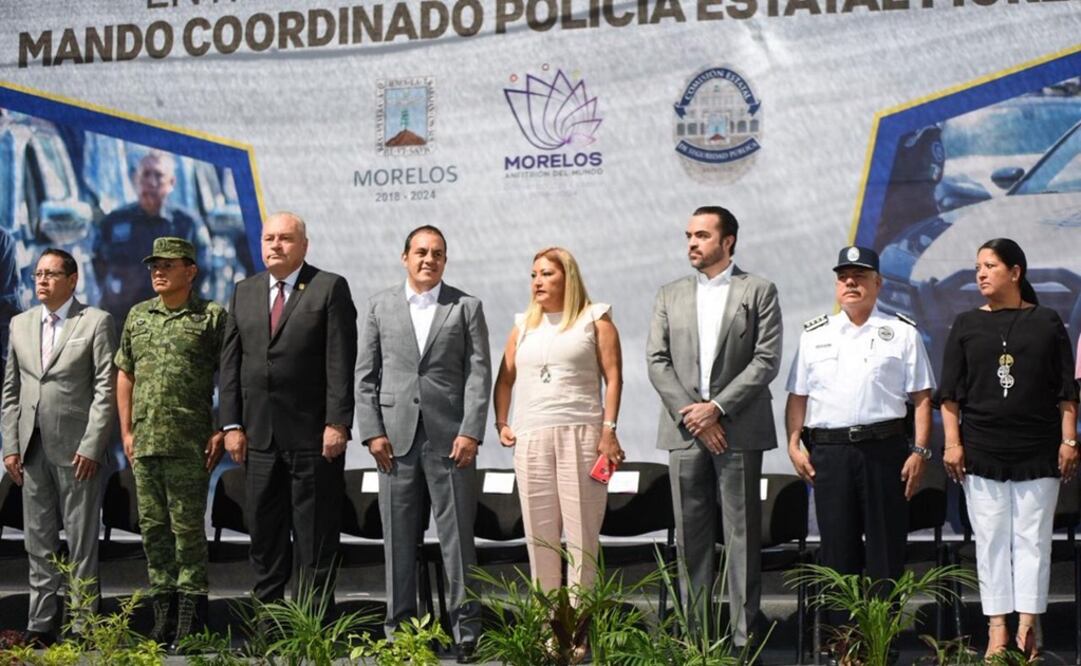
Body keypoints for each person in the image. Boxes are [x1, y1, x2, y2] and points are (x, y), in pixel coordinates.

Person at [646, 206, 782, 648]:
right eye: (688, 235)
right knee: (691, 542)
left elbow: (766, 360)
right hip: (685, 432)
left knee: (741, 540)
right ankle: (697, 641)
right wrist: (695, 413)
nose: (692, 243)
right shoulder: (669, 294)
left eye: (702, 235)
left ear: (728, 242)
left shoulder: (758, 289)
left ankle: (745, 642)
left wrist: (718, 408)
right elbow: (656, 360)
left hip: (738, 429)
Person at [938, 238, 1078, 659]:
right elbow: (950, 396)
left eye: (990, 266)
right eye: (977, 266)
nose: (980, 273)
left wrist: (1069, 440)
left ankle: (1029, 627)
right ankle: (997, 627)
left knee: (1033, 540)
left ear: (1015, 272)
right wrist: (952, 444)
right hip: (981, 449)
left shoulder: (1048, 322)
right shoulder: (965, 324)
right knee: (991, 539)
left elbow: (1067, 391)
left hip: (1038, 449)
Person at [356, 225, 490, 664]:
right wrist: (372, 431)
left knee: (458, 542)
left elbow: (478, 375)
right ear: (405, 257)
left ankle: (466, 631)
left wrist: (471, 431)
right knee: (397, 542)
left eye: (437, 253)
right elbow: (365, 377)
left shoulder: (466, 307)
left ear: (445, 261)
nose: (428, 259)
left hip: (451, 441)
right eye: (420, 252)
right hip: (393, 443)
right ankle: (401, 634)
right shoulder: (378, 306)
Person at [785, 246, 934, 626]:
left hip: (884, 451)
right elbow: (798, 396)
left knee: (886, 551)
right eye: (843, 277)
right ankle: (843, 643)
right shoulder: (814, 334)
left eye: (860, 276)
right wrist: (792, 443)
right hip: (830, 455)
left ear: (878, 283)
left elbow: (921, 398)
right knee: (836, 549)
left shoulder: (901, 332)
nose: (850, 283)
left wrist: (919, 450)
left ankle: (882, 640)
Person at [219, 212, 357, 609]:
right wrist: (231, 424)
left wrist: (337, 422)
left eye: (285, 238)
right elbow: (230, 365)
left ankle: (312, 628)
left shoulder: (328, 288)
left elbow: (340, 362)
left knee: (315, 537)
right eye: (269, 239)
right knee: (264, 534)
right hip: (259, 438)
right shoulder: (243, 291)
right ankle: (269, 623)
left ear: (304, 245)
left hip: (314, 437)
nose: (275, 245)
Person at [114, 237, 226, 650]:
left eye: (168, 264)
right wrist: (125, 430)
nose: (158, 271)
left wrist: (222, 428)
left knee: (187, 532)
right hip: (145, 443)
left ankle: (192, 620)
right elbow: (124, 372)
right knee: (154, 532)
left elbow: (230, 376)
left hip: (190, 443)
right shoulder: (138, 316)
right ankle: (162, 617)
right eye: (153, 265)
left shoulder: (211, 317)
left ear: (190, 270)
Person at [492, 247, 624, 597]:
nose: (538, 281)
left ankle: (578, 628)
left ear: (568, 277)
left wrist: (608, 431)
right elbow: (504, 379)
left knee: (582, 537)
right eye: (534, 274)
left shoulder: (596, 319)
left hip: (582, 435)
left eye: (547, 273)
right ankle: (549, 626)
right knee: (540, 535)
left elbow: (614, 378)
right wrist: (501, 422)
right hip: (532, 436)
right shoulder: (523, 325)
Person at [1, 249, 115, 646]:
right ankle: (41, 622)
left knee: (82, 542)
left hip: (78, 452)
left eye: (51, 274)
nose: (42, 281)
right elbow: (11, 391)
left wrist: (92, 444)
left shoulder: (96, 321)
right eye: (37, 275)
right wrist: (10, 447)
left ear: (72, 279)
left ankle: (83, 624)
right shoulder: (20, 323)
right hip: (30, 449)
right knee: (38, 541)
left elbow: (105, 389)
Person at [93, 151, 212, 325]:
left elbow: (202, 272)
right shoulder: (114, 222)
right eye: (146, 174)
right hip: (124, 323)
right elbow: (99, 265)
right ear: (136, 179)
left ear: (171, 183)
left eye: (158, 175)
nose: (151, 182)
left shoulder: (187, 225)